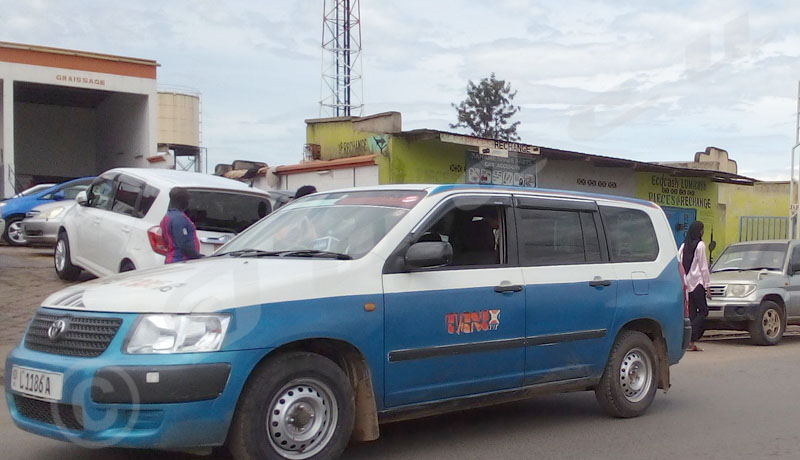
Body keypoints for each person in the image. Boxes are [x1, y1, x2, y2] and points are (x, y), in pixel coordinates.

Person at [679, 221, 711, 351]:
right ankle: (688, 335)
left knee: (692, 312)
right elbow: (703, 267)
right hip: (697, 283)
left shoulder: (683, 246)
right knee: (704, 311)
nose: (703, 232)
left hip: (687, 284)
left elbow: (679, 263)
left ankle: (690, 343)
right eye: (702, 229)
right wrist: (707, 286)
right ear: (699, 231)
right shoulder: (700, 245)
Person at [160, 187, 203, 264]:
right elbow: (183, 244)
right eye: (188, 200)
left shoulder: (167, 217)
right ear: (183, 201)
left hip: (171, 259)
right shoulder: (179, 218)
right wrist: (198, 257)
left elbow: (164, 240)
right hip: (181, 261)